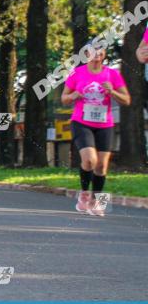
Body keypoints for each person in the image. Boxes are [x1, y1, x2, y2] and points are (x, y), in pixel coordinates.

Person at [61, 40, 130, 217]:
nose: (97, 54)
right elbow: (64, 98)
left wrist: (113, 92)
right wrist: (74, 95)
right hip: (81, 122)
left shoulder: (112, 74)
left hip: (105, 124)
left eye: (100, 51)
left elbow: (126, 100)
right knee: (90, 160)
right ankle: (84, 195)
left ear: (104, 54)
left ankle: (98, 203)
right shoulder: (77, 73)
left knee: (101, 166)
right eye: (93, 51)